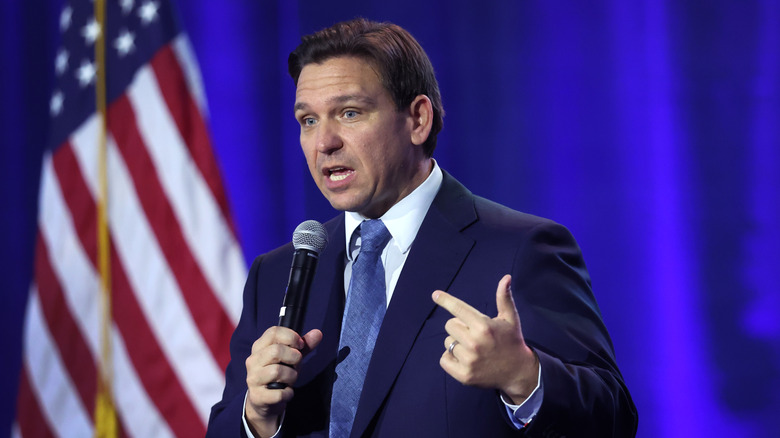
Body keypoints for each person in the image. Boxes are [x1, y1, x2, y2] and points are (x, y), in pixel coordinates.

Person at [207, 18, 637, 438]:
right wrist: (257, 418)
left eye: (350, 112)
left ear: (417, 120)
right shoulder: (277, 272)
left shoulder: (519, 249)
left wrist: (525, 378)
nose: (324, 143)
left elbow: (613, 420)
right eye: (309, 120)